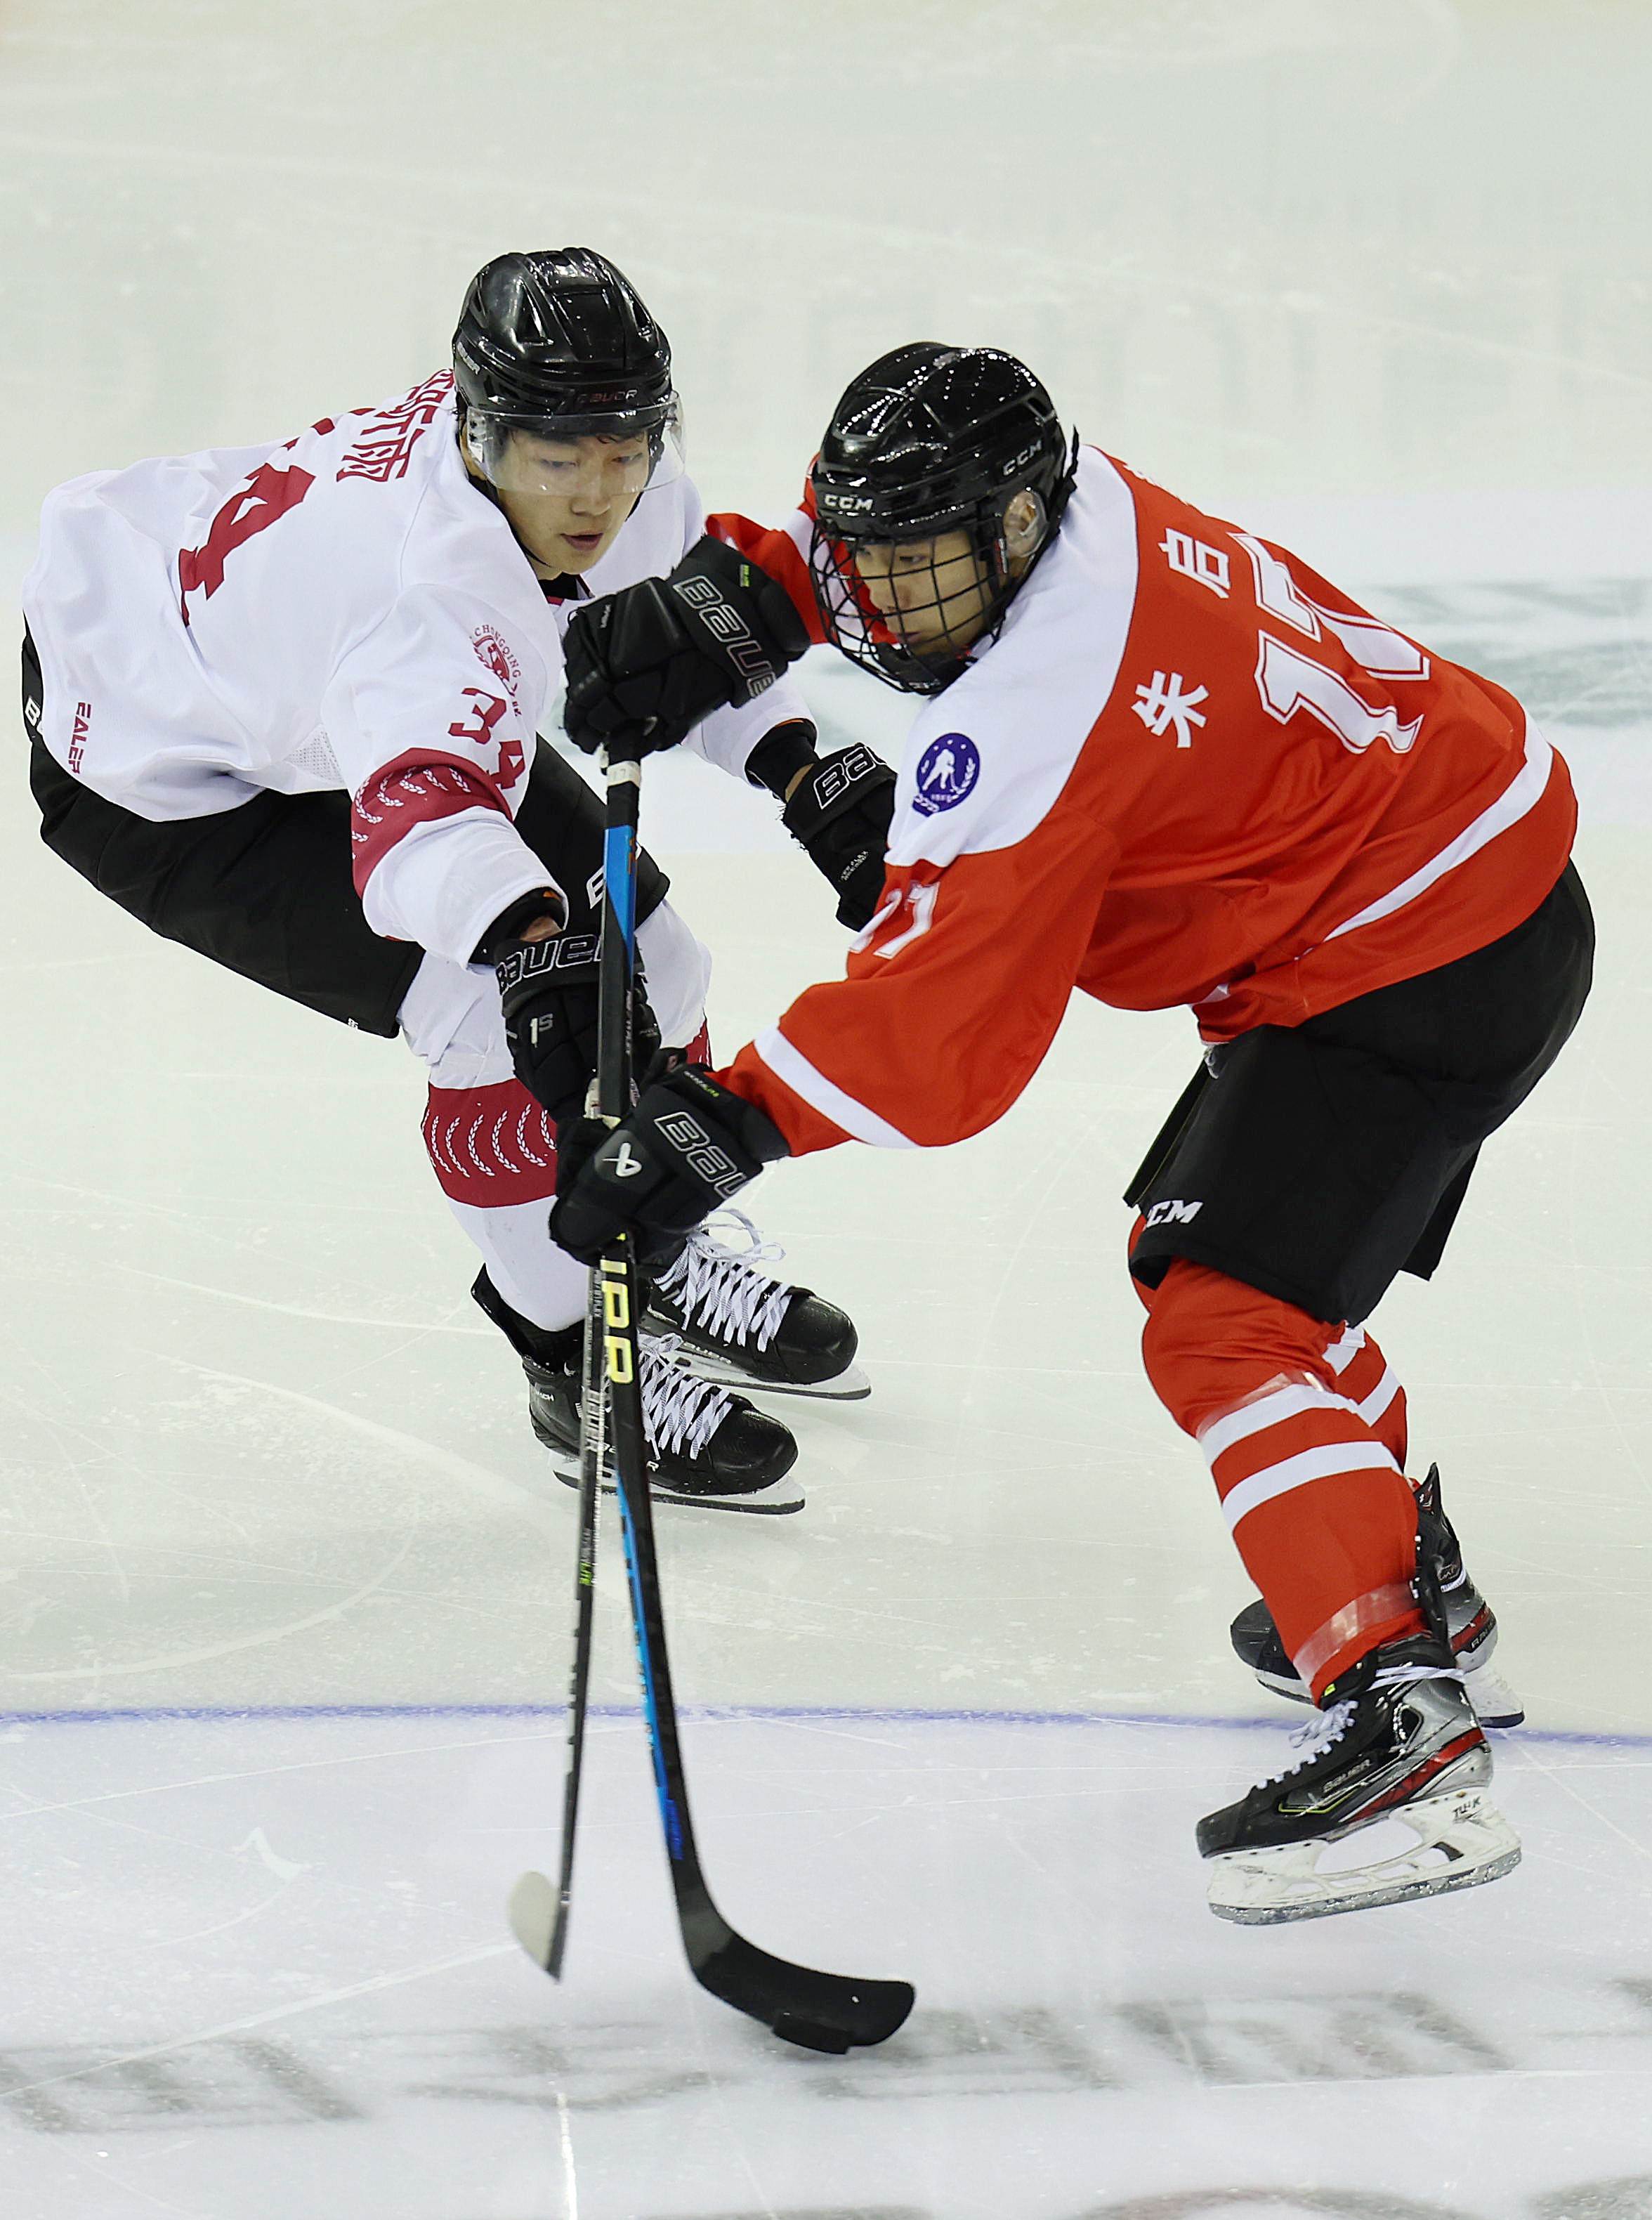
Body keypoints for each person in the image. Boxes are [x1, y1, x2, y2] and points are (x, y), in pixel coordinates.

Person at [544, 341, 1592, 1917]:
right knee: (1241, 1282)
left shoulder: (1043, 712)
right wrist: (737, 598)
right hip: (1436, 887)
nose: (883, 607)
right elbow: (876, 554)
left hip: (1416, 958)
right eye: (862, 565)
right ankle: (1401, 1572)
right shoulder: (1069, 523)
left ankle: (1399, 1713)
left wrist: (719, 1122)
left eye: (918, 572)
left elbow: (938, 1048)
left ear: (1020, 524)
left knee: (1229, 1321)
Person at [18, 247, 898, 1512]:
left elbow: (661, 636)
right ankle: (572, 1359)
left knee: (658, 962)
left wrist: (802, 768)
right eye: (560, 458)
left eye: (624, 449)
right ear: (482, 435)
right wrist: (529, 947)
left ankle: (649, 1250)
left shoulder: (584, 462)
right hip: (162, 774)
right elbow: (419, 827)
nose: (598, 491)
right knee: (487, 1017)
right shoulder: (424, 600)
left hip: (298, 676)